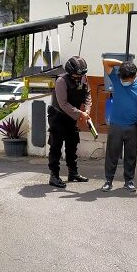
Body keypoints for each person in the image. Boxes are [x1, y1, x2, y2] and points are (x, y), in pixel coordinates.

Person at [101, 59, 137, 192]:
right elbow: (105, 62)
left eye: (127, 79)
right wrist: (123, 65)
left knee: (131, 155)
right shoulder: (116, 78)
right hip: (115, 125)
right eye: (123, 78)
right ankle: (108, 181)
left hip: (133, 126)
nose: (124, 81)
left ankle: (129, 181)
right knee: (112, 155)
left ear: (134, 76)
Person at [47, 56, 92, 188]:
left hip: (72, 118)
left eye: (82, 75)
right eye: (76, 75)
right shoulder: (61, 81)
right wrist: (80, 114)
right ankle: (54, 176)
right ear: (69, 71)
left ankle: (73, 173)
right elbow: (63, 104)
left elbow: (87, 94)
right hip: (58, 117)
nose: (79, 78)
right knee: (56, 146)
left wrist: (87, 110)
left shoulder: (83, 77)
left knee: (72, 145)